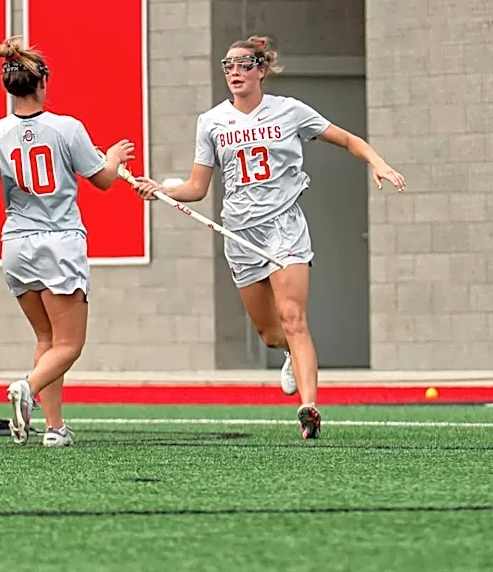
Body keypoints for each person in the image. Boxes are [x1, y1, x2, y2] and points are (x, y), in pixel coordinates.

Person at [133, 36, 405, 440]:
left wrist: (378, 163)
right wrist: (161, 189)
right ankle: (289, 356)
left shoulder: (290, 111)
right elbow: (196, 187)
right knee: (270, 333)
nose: (235, 73)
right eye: (229, 66)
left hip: (285, 228)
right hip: (239, 233)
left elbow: (347, 139)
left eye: (244, 65)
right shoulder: (211, 122)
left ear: (261, 69)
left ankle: (309, 408)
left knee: (294, 319)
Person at [0, 36, 135, 447]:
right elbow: (102, 181)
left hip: (16, 245)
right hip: (59, 243)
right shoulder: (67, 127)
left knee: (47, 340)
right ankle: (26, 389)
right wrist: (115, 158)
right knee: (70, 344)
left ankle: (53, 429)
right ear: (42, 82)